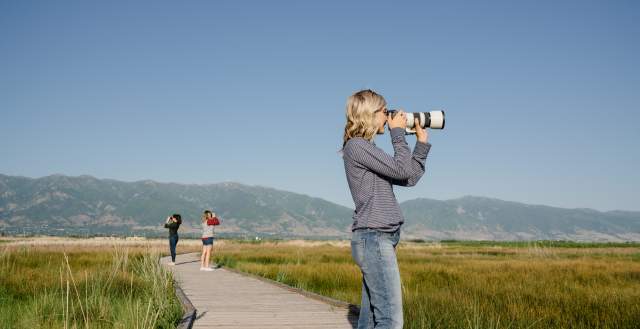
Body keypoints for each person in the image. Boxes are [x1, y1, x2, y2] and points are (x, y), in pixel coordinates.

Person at [342, 89, 431, 329]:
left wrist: (421, 146)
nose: (388, 116)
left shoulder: (367, 149)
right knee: (390, 321)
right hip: (374, 237)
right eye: (384, 111)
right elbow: (402, 170)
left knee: (370, 320)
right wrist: (398, 135)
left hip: (379, 238)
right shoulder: (357, 147)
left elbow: (408, 178)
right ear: (368, 114)